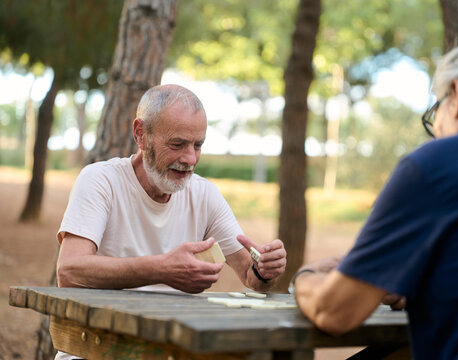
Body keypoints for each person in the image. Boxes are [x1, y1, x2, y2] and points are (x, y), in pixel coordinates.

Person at [292, 39, 458, 359]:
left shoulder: (441, 162)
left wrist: (305, 278)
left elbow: (335, 312)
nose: (435, 129)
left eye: (435, 111)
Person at [55, 84, 286, 359]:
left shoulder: (204, 194)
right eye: (177, 144)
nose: (190, 159)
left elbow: (251, 276)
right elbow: (69, 271)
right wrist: (163, 269)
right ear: (141, 134)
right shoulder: (100, 180)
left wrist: (265, 269)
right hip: (94, 350)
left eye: (197, 145)